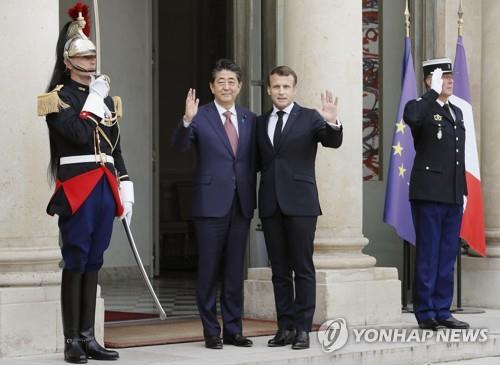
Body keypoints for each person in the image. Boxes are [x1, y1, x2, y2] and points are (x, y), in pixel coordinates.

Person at [37, 3, 133, 363]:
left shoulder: (105, 97)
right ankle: (71, 340)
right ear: (69, 62)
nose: (92, 62)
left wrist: (125, 183)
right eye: (85, 57)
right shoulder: (56, 99)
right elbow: (77, 135)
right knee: (76, 258)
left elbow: (115, 145)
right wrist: (92, 101)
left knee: (94, 260)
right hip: (77, 187)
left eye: (94, 56)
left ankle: (89, 336)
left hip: (105, 185)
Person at [171, 59, 256, 349]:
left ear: (240, 86)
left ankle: (234, 329)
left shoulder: (249, 119)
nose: (227, 86)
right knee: (208, 270)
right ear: (211, 86)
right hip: (209, 205)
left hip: (241, 204)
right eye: (221, 81)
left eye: (232, 81)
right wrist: (186, 119)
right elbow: (180, 147)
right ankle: (211, 331)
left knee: (234, 272)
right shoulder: (201, 115)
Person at [256, 66, 343, 350]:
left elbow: (333, 142)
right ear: (268, 89)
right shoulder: (260, 122)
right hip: (270, 204)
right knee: (279, 271)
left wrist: (332, 123)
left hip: (302, 204)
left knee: (302, 268)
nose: (281, 92)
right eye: (276, 87)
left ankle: (303, 329)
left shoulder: (310, 118)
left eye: (286, 87)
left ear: (294, 89)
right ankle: (285, 328)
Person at [403, 57, 469, 331]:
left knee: (447, 254)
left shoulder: (456, 112)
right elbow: (412, 118)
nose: (450, 81)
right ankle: (426, 312)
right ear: (430, 80)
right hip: (429, 193)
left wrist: (462, 192)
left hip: (452, 193)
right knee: (429, 254)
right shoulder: (420, 107)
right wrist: (433, 93)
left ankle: (443, 309)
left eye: (451, 77)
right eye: (444, 77)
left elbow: (457, 156)